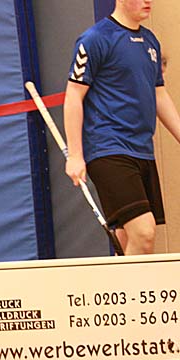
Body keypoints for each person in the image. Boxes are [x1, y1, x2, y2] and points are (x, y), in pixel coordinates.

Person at [64, 0, 180, 255]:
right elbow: (73, 95)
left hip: (143, 150)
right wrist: (75, 155)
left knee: (128, 239)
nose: (148, 1)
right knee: (144, 232)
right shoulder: (95, 39)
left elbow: (159, 95)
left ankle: (120, 278)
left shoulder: (150, 41)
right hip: (108, 149)